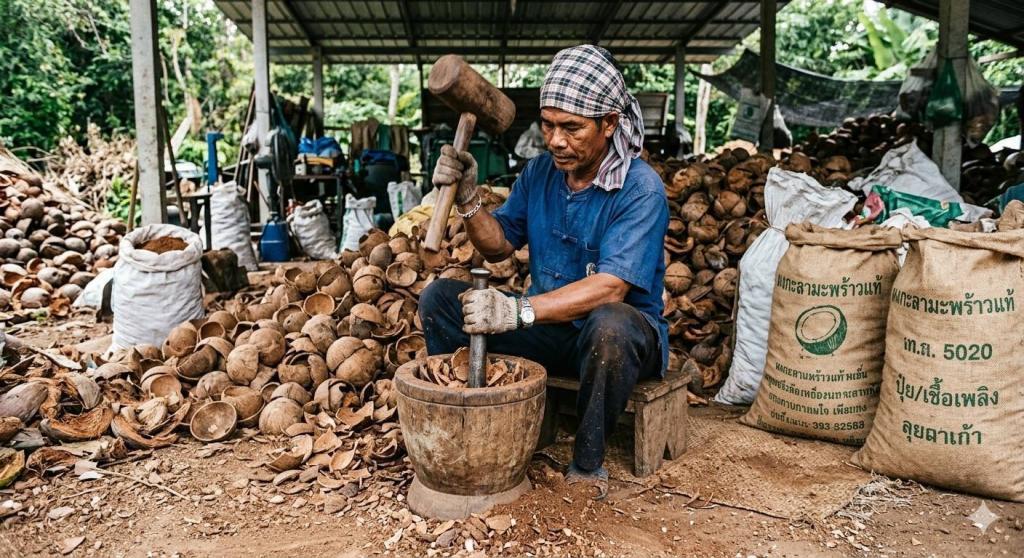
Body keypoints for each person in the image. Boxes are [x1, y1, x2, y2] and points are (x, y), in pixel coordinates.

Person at [419, 45, 669, 499]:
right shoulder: (540, 173)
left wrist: (517, 312)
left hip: (618, 342)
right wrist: (468, 197)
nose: (555, 140)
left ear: (609, 123)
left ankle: (587, 463)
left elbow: (611, 288)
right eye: (548, 125)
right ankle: (469, 426)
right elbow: (498, 245)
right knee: (439, 299)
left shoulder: (640, 189)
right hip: (551, 332)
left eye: (571, 128)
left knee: (610, 323)